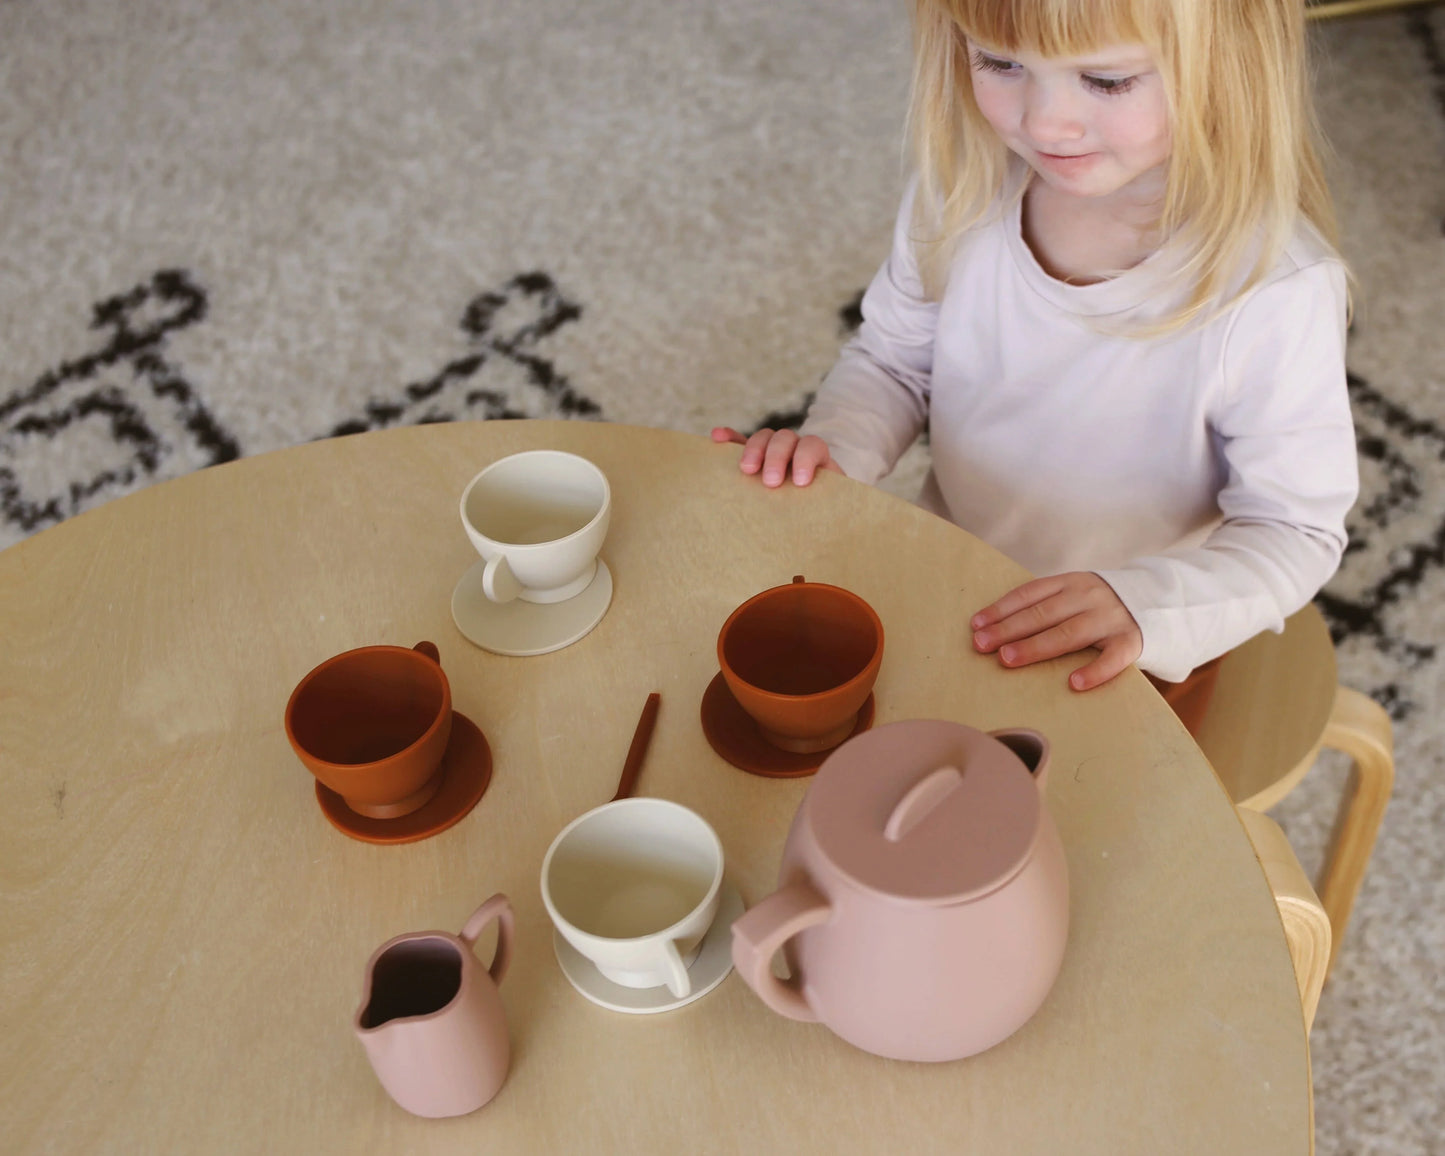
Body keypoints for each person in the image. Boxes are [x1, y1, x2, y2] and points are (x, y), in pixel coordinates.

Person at [712, 0, 1358, 732]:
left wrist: (1143, 607)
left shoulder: (1275, 291)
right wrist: (836, 451)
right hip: (945, 576)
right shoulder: (960, 187)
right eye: (1000, 63)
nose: (1046, 123)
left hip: (1123, 645)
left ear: (1228, 62)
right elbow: (893, 363)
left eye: (1107, 80)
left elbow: (1294, 530)